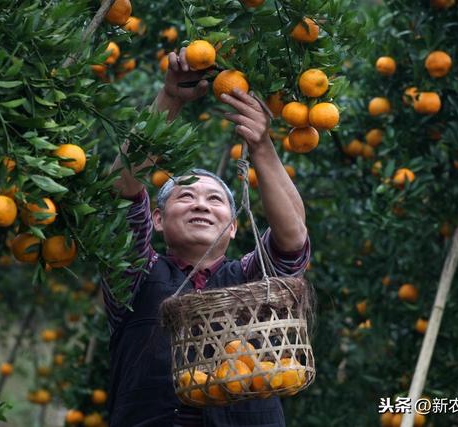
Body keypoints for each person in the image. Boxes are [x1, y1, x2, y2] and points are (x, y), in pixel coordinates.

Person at [102, 48, 311, 427]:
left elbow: (293, 238)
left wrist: (261, 146)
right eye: (185, 196)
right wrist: (169, 99)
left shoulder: (251, 278)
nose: (201, 205)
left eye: (215, 199)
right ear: (158, 220)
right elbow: (120, 189)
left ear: (232, 226)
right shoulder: (134, 275)